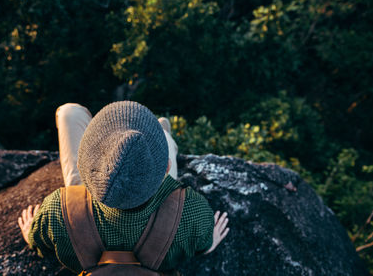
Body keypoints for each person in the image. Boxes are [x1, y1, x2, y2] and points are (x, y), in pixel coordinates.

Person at [18, 101, 229, 274]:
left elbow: (39, 244)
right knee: (163, 138)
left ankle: (160, 133)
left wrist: (30, 235)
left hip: (83, 210)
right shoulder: (191, 211)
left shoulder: (57, 211)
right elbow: (203, 244)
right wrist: (209, 245)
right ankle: (163, 134)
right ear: (166, 168)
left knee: (68, 113)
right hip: (162, 214)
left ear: (82, 166)